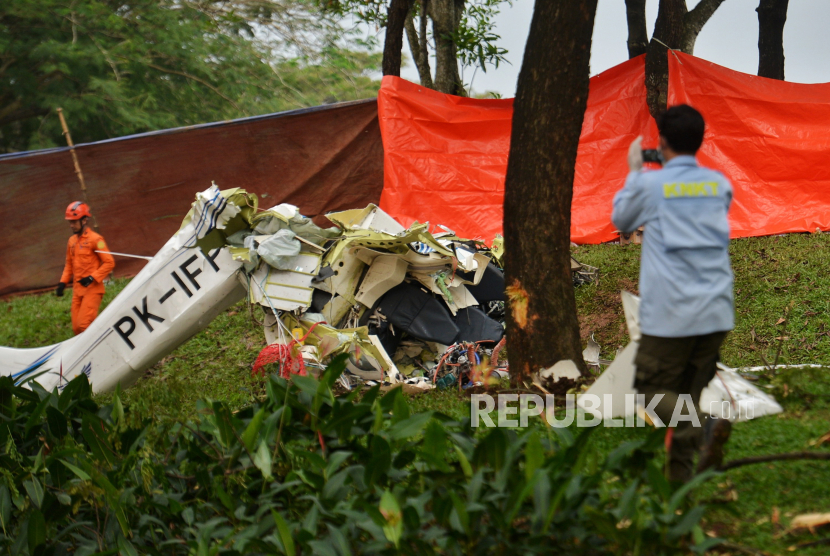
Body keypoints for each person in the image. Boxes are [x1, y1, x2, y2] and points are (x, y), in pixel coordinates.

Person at [611, 104, 734, 483]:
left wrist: (634, 172)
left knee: (651, 390)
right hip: (715, 312)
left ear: (661, 141)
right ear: (698, 141)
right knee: (685, 398)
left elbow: (622, 221)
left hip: (672, 316)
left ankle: (703, 426)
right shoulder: (719, 184)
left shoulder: (650, 185)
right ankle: (679, 495)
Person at [56, 202, 115, 335]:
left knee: (84, 325)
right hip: (78, 290)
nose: (71, 225)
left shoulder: (96, 239)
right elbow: (69, 265)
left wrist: (92, 277)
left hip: (92, 289)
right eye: (70, 222)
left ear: (84, 220)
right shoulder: (71, 241)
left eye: (74, 222)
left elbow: (109, 262)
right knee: (77, 329)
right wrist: (62, 283)